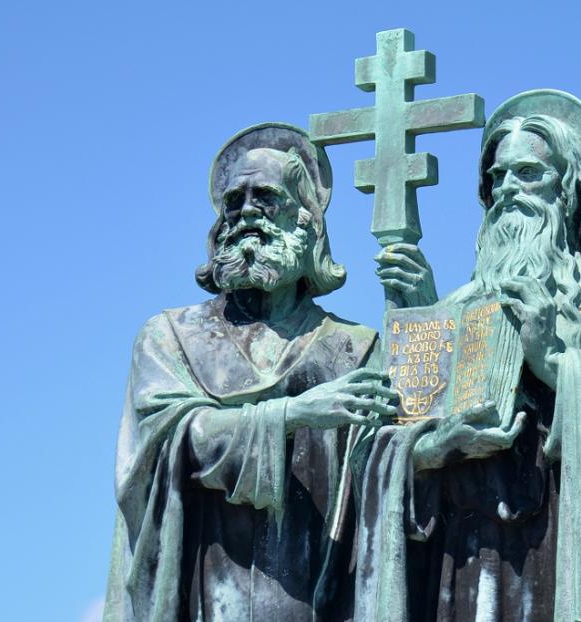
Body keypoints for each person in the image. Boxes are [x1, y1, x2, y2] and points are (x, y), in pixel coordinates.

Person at [366, 90, 581, 621]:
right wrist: (434, 442)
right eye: (496, 178)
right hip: (457, 565)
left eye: (527, 174)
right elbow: (381, 444)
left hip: (560, 552)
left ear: (566, 191)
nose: (507, 190)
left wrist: (556, 363)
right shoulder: (455, 308)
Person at [104, 123, 397, 622]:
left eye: (265, 196)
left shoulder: (355, 349)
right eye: (233, 201)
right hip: (206, 594)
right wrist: (293, 414)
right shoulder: (171, 336)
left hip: (318, 597)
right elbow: (166, 443)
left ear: (306, 219)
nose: (245, 213)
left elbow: (387, 478)